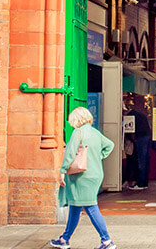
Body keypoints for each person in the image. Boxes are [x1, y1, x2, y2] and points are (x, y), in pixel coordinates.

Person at [51, 107, 116, 249]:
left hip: (81, 176)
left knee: (91, 207)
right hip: (95, 174)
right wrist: (99, 156)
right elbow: (110, 145)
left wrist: (62, 170)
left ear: (76, 119)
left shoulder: (77, 132)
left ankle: (106, 241)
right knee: (75, 206)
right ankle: (64, 239)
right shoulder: (95, 133)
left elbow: (69, 154)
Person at [127, 96, 152, 190]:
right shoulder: (142, 114)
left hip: (141, 137)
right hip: (147, 136)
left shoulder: (132, 115)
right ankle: (144, 182)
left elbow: (130, 129)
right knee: (145, 160)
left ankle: (141, 183)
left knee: (141, 160)